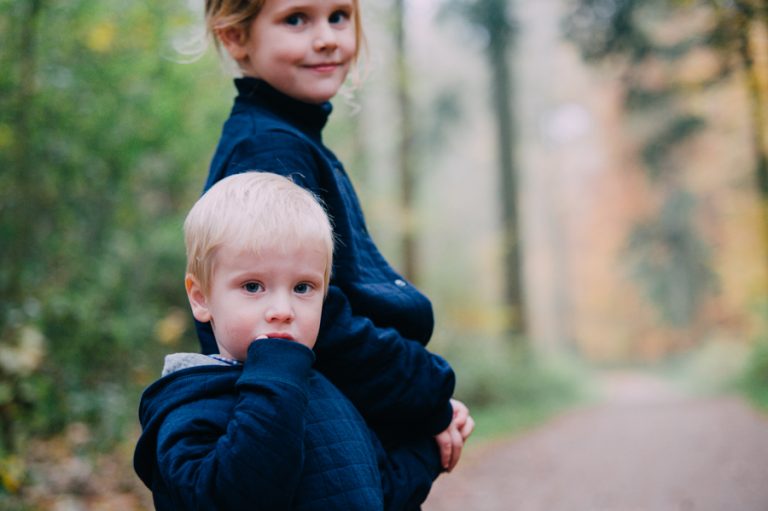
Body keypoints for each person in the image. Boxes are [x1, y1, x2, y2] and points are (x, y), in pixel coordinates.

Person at [199, 0, 474, 477]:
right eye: (296, 19)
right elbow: (309, 320)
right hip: (316, 432)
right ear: (235, 36)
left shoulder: (292, 139)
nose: (326, 37)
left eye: (339, 16)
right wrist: (428, 394)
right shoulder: (267, 147)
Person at [134, 172, 448, 510]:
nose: (282, 311)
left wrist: (429, 449)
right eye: (253, 286)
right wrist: (275, 377)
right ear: (201, 298)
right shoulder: (189, 409)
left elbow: (378, 489)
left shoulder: (324, 390)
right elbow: (232, 497)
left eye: (302, 288)